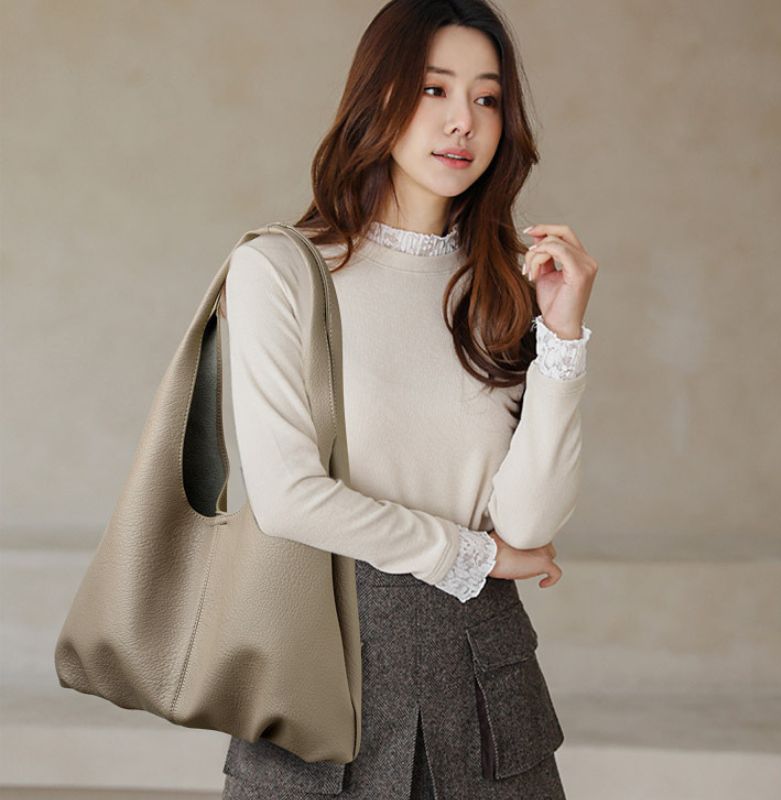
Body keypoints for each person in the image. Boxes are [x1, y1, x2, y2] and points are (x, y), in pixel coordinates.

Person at [219, 0, 598, 797]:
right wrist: (478, 556)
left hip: (489, 695)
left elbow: (529, 521)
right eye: (434, 90)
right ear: (378, 97)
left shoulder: (504, 285)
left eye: (487, 98)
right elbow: (287, 497)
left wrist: (563, 342)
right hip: (323, 677)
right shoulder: (284, 270)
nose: (464, 120)